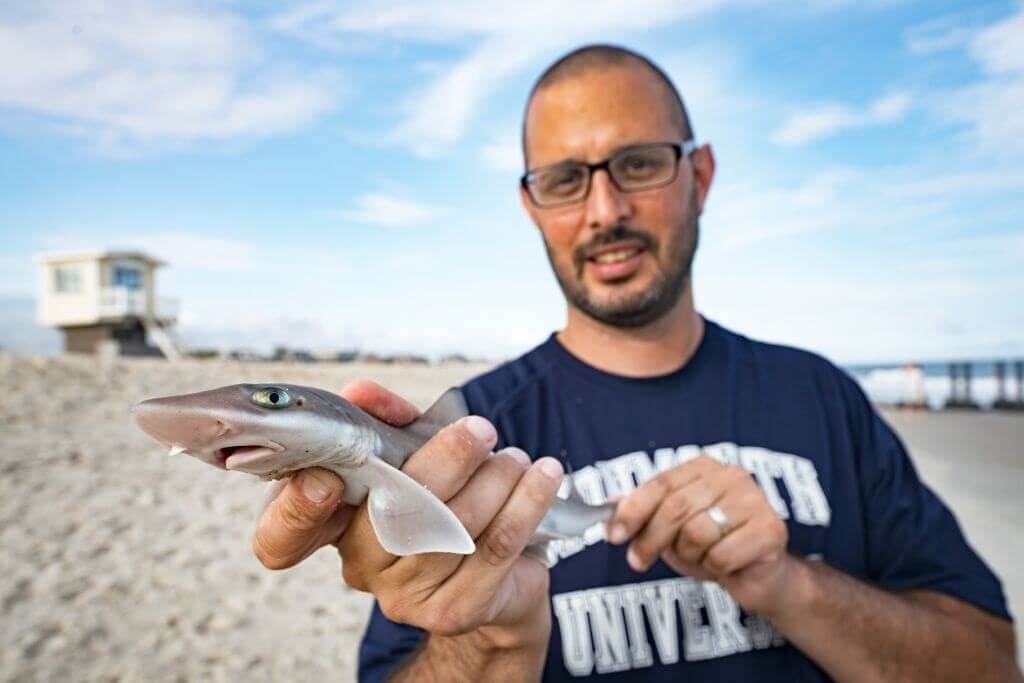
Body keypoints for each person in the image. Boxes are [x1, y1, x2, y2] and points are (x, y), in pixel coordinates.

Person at [251, 45, 1020, 681]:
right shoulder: (471, 437)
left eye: (641, 164)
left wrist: (788, 582)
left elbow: (990, 663)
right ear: (532, 206)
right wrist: (488, 640)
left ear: (702, 175)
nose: (605, 209)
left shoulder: (821, 396)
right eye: (564, 179)